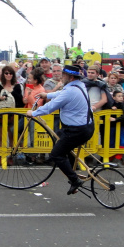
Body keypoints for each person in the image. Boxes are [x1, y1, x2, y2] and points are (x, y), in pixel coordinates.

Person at [26, 65, 94, 195]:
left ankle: (75, 181)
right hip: (85, 127)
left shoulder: (70, 91)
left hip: (77, 130)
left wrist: (33, 113)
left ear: (71, 77)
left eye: (64, 75)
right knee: (59, 137)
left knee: (55, 154)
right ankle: (72, 170)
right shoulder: (79, 85)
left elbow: (50, 107)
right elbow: (62, 93)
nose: (62, 77)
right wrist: (47, 94)